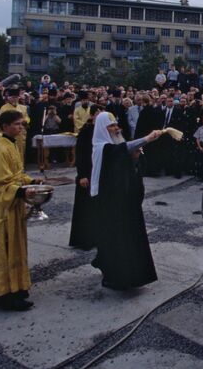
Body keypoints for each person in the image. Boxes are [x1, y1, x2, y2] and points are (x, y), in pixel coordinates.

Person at [90, 112, 162, 290]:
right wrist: (146, 139)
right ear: (102, 129)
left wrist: (136, 158)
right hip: (111, 204)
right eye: (111, 126)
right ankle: (114, 276)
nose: (116, 129)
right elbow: (119, 152)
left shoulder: (118, 146)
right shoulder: (102, 148)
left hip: (127, 202)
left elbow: (130, 165)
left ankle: (134, 276)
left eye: (116, 125)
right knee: (115, 241)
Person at [0, 110, 43, 311]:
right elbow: (0, 183)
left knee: (14, 245)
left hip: (11, 203)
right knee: (4, 246)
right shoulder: (0, 149)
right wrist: (20, 192)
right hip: (1, 206)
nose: (21, 128)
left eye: (22, 124)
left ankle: (17, 288)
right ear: (5, 125)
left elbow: (16, 173)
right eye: (17, 124)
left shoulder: (11, 144)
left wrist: (31, 181)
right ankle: (4, 294)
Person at [69, 105, 100, 250]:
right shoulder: (86, 131)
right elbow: (81, 154)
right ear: (92, 116)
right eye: (98, 114)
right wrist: (81, 175)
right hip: (86, 174)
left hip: (97, 174)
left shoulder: (101, 131)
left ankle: (95, 237)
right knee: (84, 208)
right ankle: (83, 239)